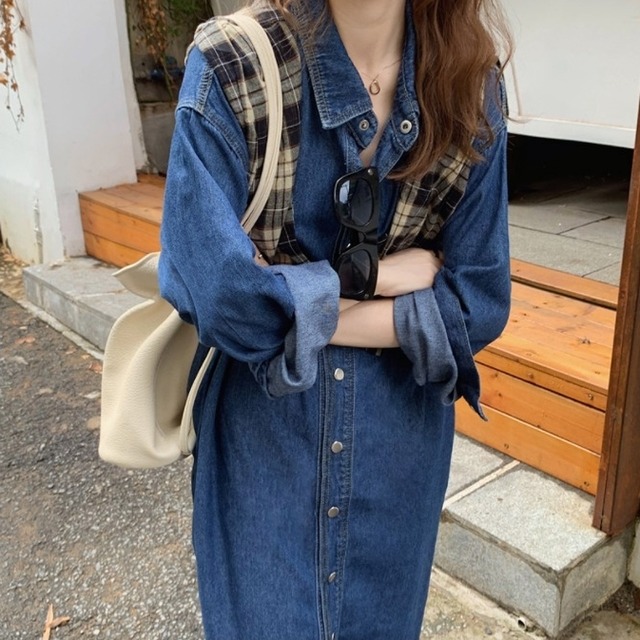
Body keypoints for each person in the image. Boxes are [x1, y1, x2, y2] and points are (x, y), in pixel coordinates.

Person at [159, 0, 512, 637]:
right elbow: (218, 298)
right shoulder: (233, 67)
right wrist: (377, 280)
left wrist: (292, 298)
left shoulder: (471, 83)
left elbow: (478, 303)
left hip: (399, 453)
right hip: (265, 442)